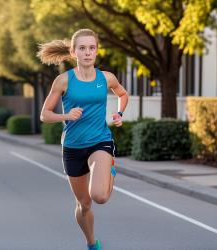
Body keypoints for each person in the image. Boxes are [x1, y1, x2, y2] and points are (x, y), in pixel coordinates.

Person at [37, 29, 128, 250]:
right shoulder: (63, 81)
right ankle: (91, 243)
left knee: (99, 196)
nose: (88, 52)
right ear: (73, 51)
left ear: (97, 50)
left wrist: (119, 113)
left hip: (100, 142)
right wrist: (66, 115)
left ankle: (109, 169)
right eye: (82, 48)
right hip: (73, 147)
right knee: (84, 204)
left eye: (92, 47)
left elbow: (122, 94)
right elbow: (44, 114)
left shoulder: (106, 78)